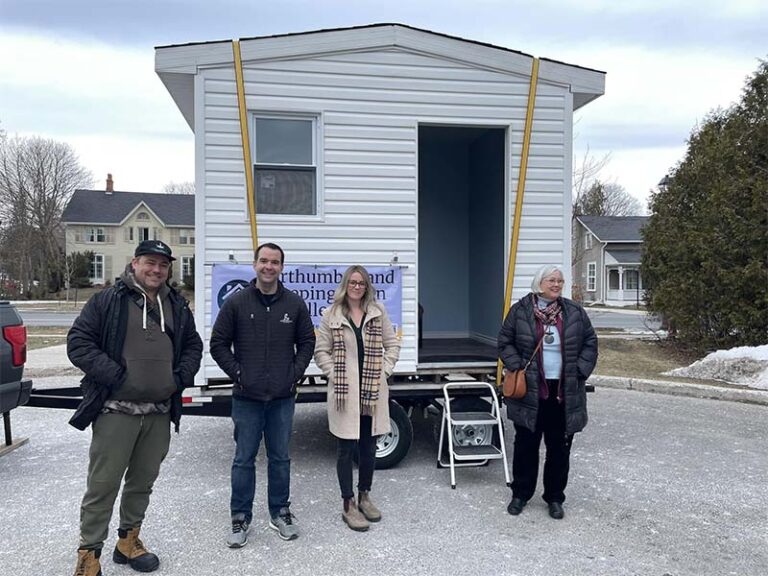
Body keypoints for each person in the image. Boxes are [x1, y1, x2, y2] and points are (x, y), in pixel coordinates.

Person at [67, 240, 203, 576]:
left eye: (163, 264)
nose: (156, 270)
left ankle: (128, 541)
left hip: (158, 412)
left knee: (142, 482)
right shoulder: (108, 301)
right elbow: (79, 343)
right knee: (103, 485)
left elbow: (193, 346)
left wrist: (180, 378)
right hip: (116, 411)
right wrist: (116, 375)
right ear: (135, 263)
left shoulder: (177, 305)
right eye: (150, 263)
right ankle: (89, 554)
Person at [209, 242, 315, 547]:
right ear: (254, 264)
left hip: (282, 399)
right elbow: (218, 343)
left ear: (282, 267)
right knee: (244, 459)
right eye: (264, 261)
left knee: (280, 458)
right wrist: (239, 374)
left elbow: (307, 341)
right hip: (247, 399)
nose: (269, 267)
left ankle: (280, 512)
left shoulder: (294, 304)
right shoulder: (237, 303)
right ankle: (240, 517)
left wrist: (293, 374)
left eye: (275, 262)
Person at [498, 264, 597, 520]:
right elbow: (504, 341)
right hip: (530, 391)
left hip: (564, 391)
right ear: (539, 283)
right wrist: (516, 365)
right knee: (525, 446)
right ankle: (520, 494)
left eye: (560, 281)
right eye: (551, 280)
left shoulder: (573, 312)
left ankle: (554, 497)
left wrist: (580, 371)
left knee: (559, 449)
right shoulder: (521, 310)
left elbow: (590, 342)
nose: (556, 285)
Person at [314, 265, 401, 532]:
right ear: (345, 285)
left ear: (367, 287)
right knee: (345, 449)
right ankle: (348, 503)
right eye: (352, 282)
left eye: (361, 283)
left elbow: (393, 343)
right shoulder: (331, 314)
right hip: (345, 393)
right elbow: (321, 351)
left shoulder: (378, 312)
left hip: (372, 391)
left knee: (368, 446)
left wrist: (384, 371)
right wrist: (335, 375)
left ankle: (364, 495)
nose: (357, 287)